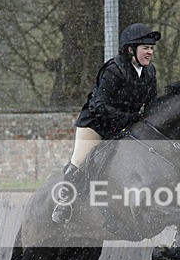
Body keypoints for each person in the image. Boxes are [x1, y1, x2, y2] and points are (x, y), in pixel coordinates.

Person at [52, 23, 161, 223]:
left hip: (125, 126)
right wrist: (129, 119)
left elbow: (151, 105)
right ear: (131, 49)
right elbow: (99, 106)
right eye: (145, 47)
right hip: (96, 124)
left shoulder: (150, 72)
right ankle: (64, 204)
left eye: (151, 48)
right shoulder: (114, 70)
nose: (150, 52)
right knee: (80, 161)